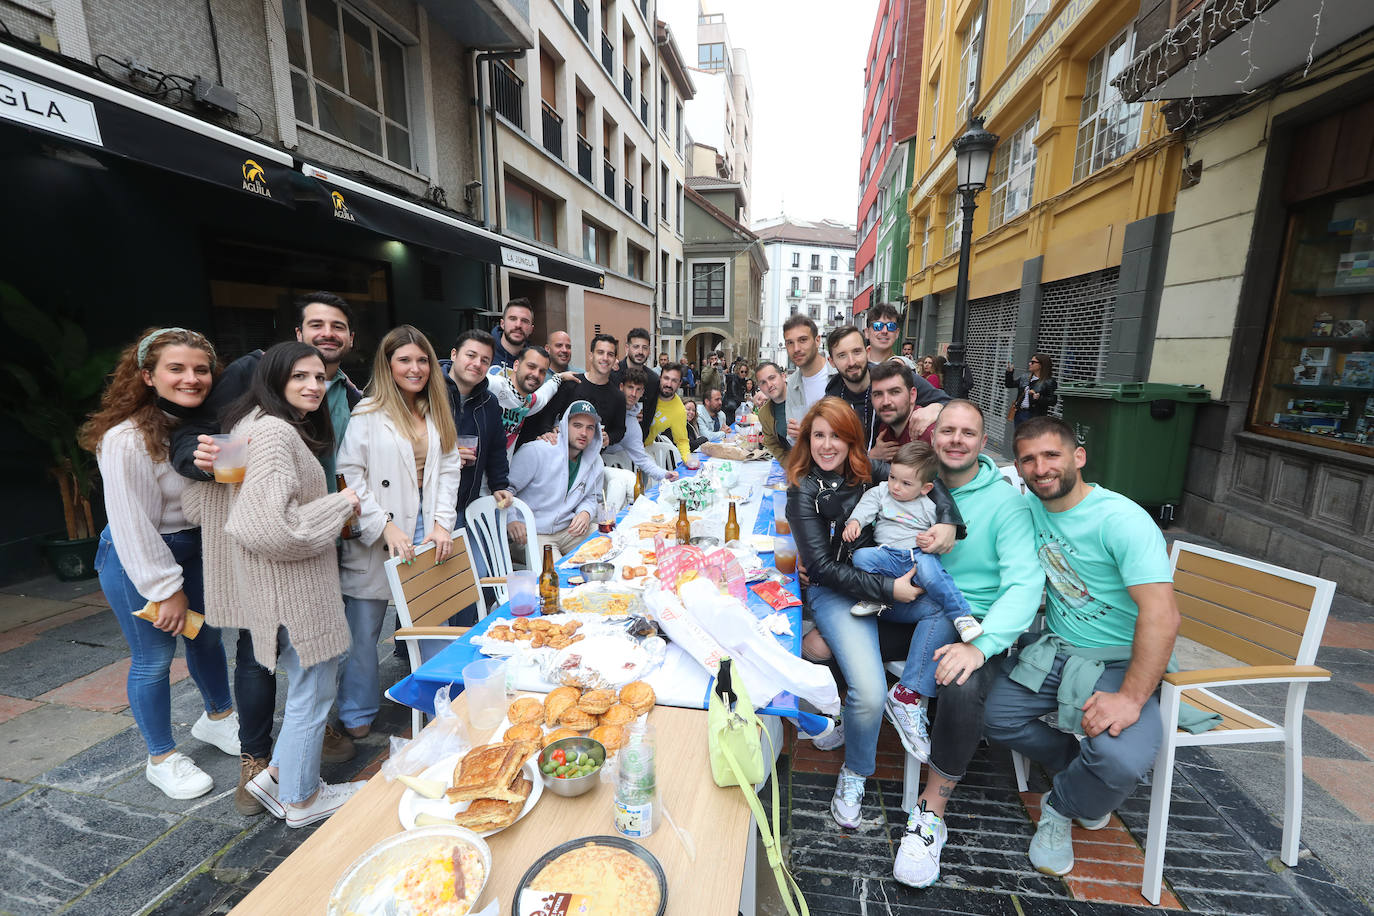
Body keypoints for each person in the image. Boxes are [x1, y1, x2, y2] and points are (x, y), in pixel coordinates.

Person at [171, 291, 363, 800]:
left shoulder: (246, 426)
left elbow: (201, 505)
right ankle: (302, 798)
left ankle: (275, 779)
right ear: (273, 379)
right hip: (296, 592)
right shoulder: (277, 433)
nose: (314, 385)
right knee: (311, 696)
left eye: (320, 377)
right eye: (300, 376)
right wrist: (341, 504)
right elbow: (267, 528)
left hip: (270, 588)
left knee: (304, 690)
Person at [984, 416, 1181, 878]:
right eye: (1029, 459)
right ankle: (1079, 772)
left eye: (1051, 455)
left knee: (1119, 760)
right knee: (991, 718)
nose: (1041, 468)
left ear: (1078, 457)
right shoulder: (1026, 509)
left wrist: (1131, 698)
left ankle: (1061, 807)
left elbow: (1162, 615)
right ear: (1018, 467)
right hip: (1055, 650)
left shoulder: (1122, 520)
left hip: (1120, 662)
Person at [878, 400, 1043, 887]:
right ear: (932, 437)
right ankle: (856, 726)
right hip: (916, 607)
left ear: (982, 441)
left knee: (961, 683)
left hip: (977, 626)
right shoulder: (915, 483)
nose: (955, 439)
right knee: (823, 639)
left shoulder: (1007, 504)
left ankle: (930, 812)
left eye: (966, 433)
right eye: (946, 430)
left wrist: (982, 645)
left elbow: (1023, 585)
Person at [782, 398, 963, 834]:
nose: (827, 445)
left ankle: (909, 697)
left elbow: (930, 485)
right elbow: (822, 568)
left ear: (851, 440)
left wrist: (949, 524)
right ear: (808, 439)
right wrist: (891, 589)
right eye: (818, 435)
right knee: (868, 686)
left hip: (884, 589)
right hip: (838, 594)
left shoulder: (871, 474)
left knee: (946, 607)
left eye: (837, 436)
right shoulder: (803, 491)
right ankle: (856, 774)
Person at [81, 327, 238, 800]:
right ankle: (162, 756)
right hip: (140, 555)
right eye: (177, 368)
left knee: (207, 636)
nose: (191, 378)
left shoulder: (208, 425)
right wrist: (164, 588)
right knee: (153, 658)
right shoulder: (126, 438)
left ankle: (218, 718)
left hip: (194, 547)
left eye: (201, 369)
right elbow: (131, 524)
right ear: (148, 375)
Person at [336, 326, 462, 738]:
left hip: (426, 524)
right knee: (365, 626)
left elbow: (447, 469)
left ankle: (441, 703)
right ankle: (356, 711)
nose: (415, 368)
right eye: (405, 360)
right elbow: (349, 475)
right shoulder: (368, 413)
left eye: (422, 360)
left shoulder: (435, 409)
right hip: (381, 526)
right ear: (388, 365)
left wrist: (443, 522)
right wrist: (383, 525)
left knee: (433, 620)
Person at [843, 439, 982, 641]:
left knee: (935, 575)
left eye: (906, 483)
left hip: (916, 556)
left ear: (925, 488)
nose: (896, 487)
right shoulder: (882, 492)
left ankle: (961, 616)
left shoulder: (927, 505)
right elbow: (867, 506)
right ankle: (875, 598)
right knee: (861, 557)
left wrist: (931, 539)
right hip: (887, 554)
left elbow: (943, 536)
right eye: (892, 477)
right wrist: (855, 522)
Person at [507, 401, 605, 555]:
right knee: (555, 575)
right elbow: (506, 488)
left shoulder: (595, 461)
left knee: (611, 541)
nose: (584, 433)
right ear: (564, 425)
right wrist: (511, 520)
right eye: (577, 425)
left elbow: (592, 497)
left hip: (568, 531)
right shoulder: (537, 450)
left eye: (590, 427)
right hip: (532, 533)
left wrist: (585, 513)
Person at [518, 334, 626, 448]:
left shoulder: (618, 396)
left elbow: (620, 430)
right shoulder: (571, 383)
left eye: (610, 354)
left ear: (615, 359)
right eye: (600, 352)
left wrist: (609, 438)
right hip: (561, 453)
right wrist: (548, 433)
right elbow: (547, 416)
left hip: (593, 458)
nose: (605, 358)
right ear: (591, 356)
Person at [603, 366, 681, 484]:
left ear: (642, 392)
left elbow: (642, 459)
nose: (633, 394)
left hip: (615, 475)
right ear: (621, 387)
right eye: (630, 387)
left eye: (638, 389)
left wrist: (665, 474)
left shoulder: (633, 426)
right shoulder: (606, 407)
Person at [484, 344, 561, 458]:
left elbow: (545, 393)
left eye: (542, 371)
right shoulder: (494, 384)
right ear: (516, 365)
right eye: (531, 366)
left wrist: (560, 377)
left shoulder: (529, 402)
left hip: (501, 472)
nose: (536, 374)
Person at [869, 361, 947, 461]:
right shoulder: (884, 429)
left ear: (912, 395)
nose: (886, 402)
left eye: (895, 392)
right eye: (878, 394)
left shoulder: (929, 434)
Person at [783, 314, 836, 443]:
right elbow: (792, 438)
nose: (796, 349)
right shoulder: (792, 384)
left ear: (817, 341)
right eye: (790, 343)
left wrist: (806, 432)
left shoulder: (838, 373)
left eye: (803, 340)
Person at [643, 363, 699, 468]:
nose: (669, 384)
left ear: (680, 383)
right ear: (660, 378)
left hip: (643, 452)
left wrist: (688, 460)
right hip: (620, 445)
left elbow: (681, 440)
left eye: (674, 380)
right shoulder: (647, 391)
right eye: (666, 378)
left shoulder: (679, 410)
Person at [611, 327, 659, 439]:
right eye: (636, 347)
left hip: (637, 441)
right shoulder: (613, 374)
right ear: (627, 348)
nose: (640, 352)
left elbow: (649, 417)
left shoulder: (653, 380)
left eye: (645, 348)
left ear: (649, 351)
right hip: (611, 441)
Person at [1004, 354, 1057, 427]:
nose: (1029, 364)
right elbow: (1009, 384)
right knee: (1019, 437)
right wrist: (1009, 373)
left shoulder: (1049, 382)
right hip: (1019, 413)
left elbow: (1053, 401)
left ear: (1041, 365)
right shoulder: (1025, 377)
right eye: (1030, 361)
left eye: (1033, 362)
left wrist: (1039, 398)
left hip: (1034, 416)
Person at [754, 361, 791, 461]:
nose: (769, 385)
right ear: (760, 387)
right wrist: (790, 467)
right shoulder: (764, 414)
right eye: (763, 382)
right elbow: (773, 445)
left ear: (783, 376)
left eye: (772, 378)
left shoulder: (803, 397)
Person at [493, 298, 535, 368]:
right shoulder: (484, 353)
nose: (518, 325)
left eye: (524, 321)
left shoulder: (535, 362)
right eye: (513, 319)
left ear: (531, 329)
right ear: (502, 324)